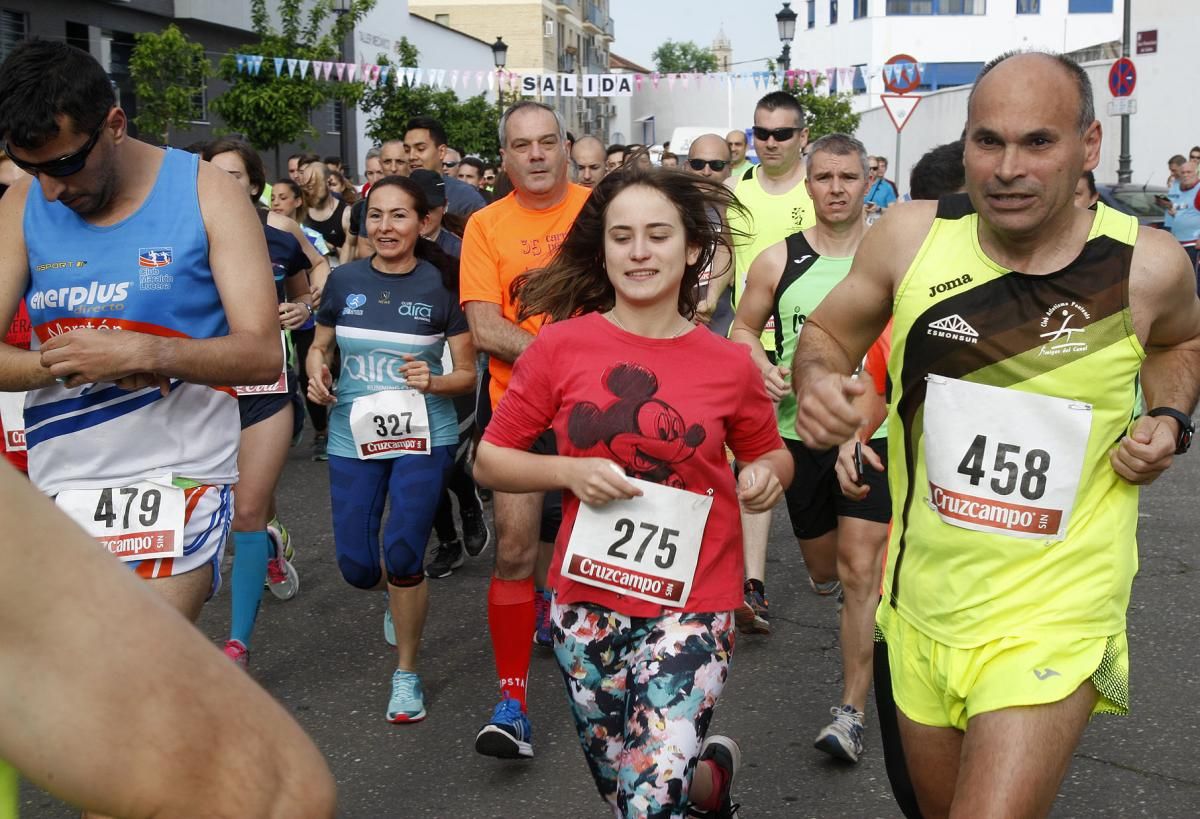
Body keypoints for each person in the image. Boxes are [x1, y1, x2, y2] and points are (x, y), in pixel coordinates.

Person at [791, 50, 1200, 817]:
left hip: (1057, 612)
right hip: (923, 605)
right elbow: (826, 333)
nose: (1008, 167)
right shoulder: (910, 238)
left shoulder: (1146, 265)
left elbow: (1182, 343)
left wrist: (1169, 417)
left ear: (1087, 147)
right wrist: (821, 383)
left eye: (1037, 142)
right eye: (989, 141)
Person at [475, 162, 793, 819]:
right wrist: (566, 472)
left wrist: (765, 476)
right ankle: (710, 785)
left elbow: (770, 453)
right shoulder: (559, 347)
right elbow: (491, 458)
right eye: (622, 237)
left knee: (645, 801)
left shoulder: (730, 363)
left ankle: (681, 786)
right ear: (602, 248)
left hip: (694, 603)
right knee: (626, 778)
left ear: (693, 250)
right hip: (587, 601)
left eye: (657, 235)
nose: (640, 252)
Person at [0, 40, 281, 623]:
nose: (51, 189)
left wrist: (149, 350)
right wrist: (72, 361)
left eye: (65, 164)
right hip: (63, 486)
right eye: (32, 168)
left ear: (115, 124)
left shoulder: (208, 190)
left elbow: (261, 355)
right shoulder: (23, 202)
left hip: (179, 482)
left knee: (135, 674)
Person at [0, 461, 337, 819]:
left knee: (250, 513)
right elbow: (282, 795)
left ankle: (247, 602)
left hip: (180, 458)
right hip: (71, 465)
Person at [731, 134, 888, 762]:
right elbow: (743, 326)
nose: (837, 189)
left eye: (849, 177)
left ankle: (851, 710)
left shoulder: (895, 257)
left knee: (859, 572)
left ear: (869, 179)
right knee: (824, 569)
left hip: (871, 438)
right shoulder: (779, 259)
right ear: (808, 185)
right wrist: (760, 362)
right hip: (800, 436)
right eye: (824, 178)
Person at [306, 175, 476, 723]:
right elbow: (321, 346)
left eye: (399, 215)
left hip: (424, 433)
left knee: (403, 553)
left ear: (422, 221)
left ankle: (406, 674)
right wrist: (315, 373)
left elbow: (468, 376)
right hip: (352, 433)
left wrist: (433, 381)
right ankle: (394, 596)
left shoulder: (444, 285)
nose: (385, 227)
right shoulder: (343, 281)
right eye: (374, 215)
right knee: (357, 565)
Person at [459, 100, 592, 758]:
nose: (536, 155)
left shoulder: (601, 211)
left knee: (588, 556)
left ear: (565, 148)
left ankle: (610, 681)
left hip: (597, 410)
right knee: (514, 551)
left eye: (547, 142)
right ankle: (512, 703)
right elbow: (484, 328)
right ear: (503, 158)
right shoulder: (485, 225)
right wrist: (560, 366)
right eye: (521, 145)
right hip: (519, 408)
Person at [204, 139, 322, 666]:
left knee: (246, 511)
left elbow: (309, 282)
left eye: (236, 176)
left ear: (256, 185)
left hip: (267, 387)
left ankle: (237, 645)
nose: (226, 185)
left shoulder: (280, 234)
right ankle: (270, 548)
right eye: (214, 175)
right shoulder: (187, 237)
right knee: (224, 508)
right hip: (204, 388)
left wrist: (300, 308)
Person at [721, 91, 818, 637]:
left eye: (782, 133)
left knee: (812, 465)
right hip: (749, 340)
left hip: (818, 344)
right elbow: (723, 260)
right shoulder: (739, 187)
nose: (771, 143)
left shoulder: (818, 187)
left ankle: (834, 565)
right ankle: (750, 585)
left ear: (802, 136)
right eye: (762, 133)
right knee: (750, 457)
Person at [685, 134, 736, 335]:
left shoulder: (742, 212)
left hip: (727, 331)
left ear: (730, 169)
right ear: (686, 167)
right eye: (698, 164)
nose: (706, 172)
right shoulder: (667, 210)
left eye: (716, 165)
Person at [404, 116, 486, 217]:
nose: (411, 156)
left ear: (441, 152)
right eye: (407, 150)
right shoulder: (395, 192)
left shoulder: (466, 198)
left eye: (420, 149)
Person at [300, 157, 353, 266]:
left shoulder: (346, 214)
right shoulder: (300, 213)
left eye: (315, 185)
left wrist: (331, 249)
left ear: (328, 182)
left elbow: (356, 256)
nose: (311, 191)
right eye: (307, 187)